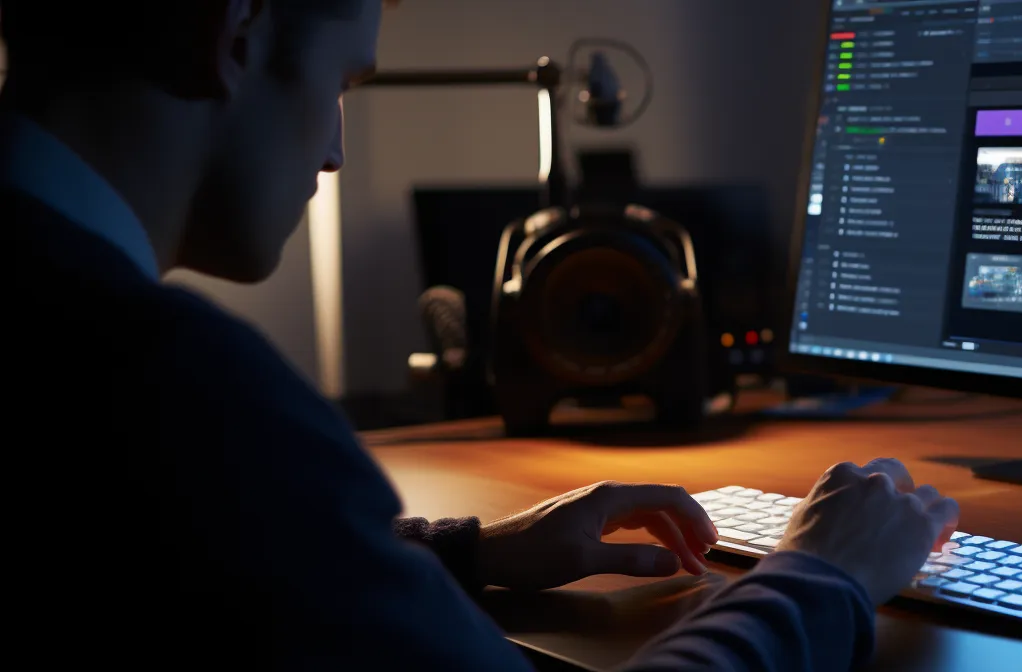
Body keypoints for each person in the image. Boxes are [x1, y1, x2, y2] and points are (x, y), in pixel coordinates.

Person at [1, 1, 957, 669]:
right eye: (341, 81)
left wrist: (471, 555)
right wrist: (818, 577)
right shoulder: (177, 393)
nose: (334, 150)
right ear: (232, 31)